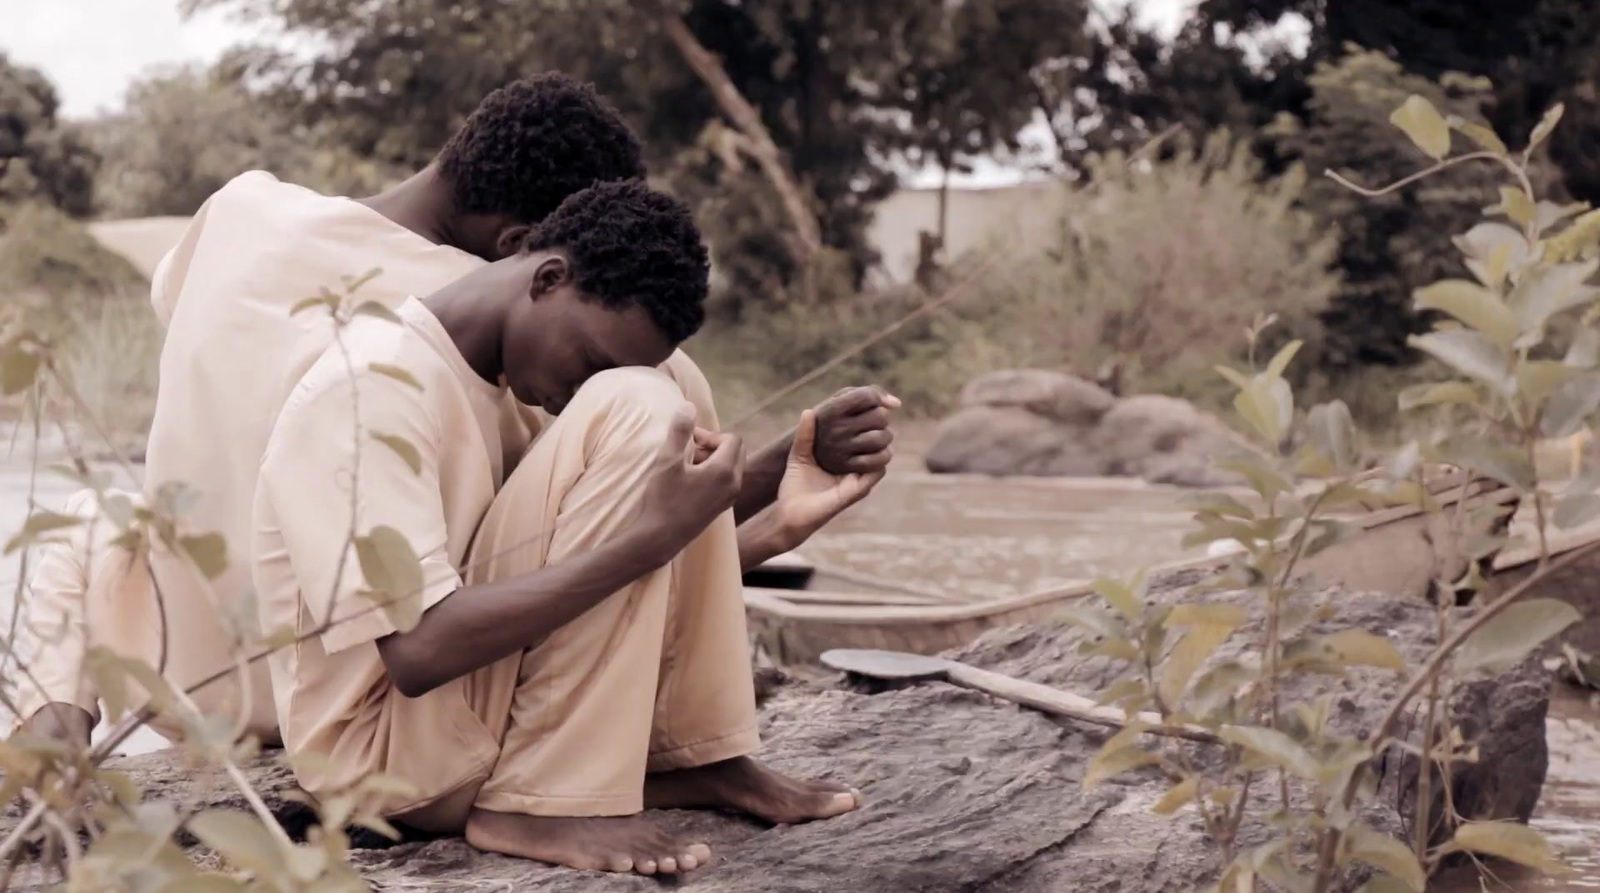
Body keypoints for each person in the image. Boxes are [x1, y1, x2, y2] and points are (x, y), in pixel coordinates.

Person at [12, 73, 896, 748]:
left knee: (89, 518)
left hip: (179, 679)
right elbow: (622, 513)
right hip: (354, 697)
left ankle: (50, 724)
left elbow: (185, 314)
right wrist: (768, 483)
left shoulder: (242, 210)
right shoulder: (481, 328)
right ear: (530, 255)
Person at [255, 180, 867, 875]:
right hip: (386, 757)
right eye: (589, 359)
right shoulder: (367, 389)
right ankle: (537, 801)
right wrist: (650, 540)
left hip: (479, 709)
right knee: (637, 399)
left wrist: (777, 471)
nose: (579, 389)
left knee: (668, 380)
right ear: (548, 278)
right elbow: (420, 650)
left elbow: (612, 549)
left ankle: (693, 751)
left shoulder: (523, 372)